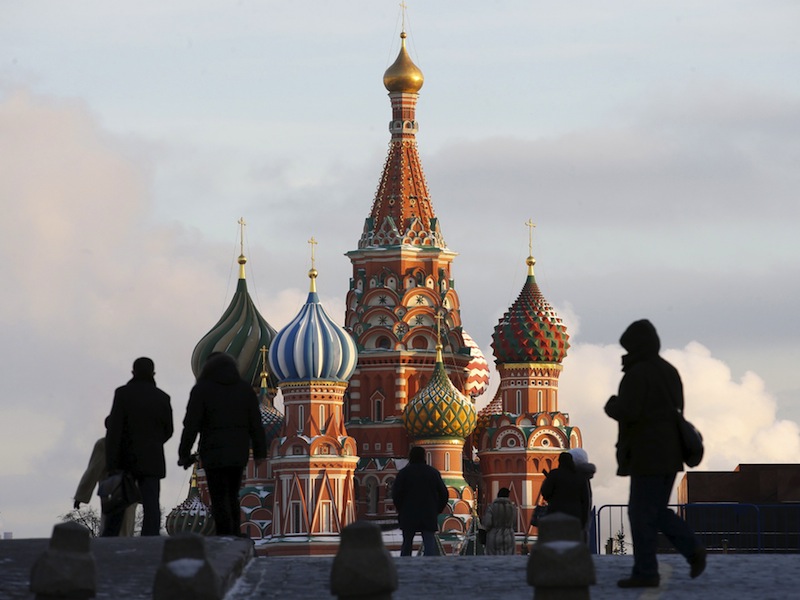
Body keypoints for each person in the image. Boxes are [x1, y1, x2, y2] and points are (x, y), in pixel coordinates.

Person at [604, 319, 706, 588]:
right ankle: (681, 554)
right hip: (670, 454)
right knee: (654, 511)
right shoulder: (669, 371)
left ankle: (651, 569)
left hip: (647, 453)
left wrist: (612, 405)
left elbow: (630, 411)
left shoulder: (638, 373)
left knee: (641, 514)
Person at [178, 353, 267, 536]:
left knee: (218, 496)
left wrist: (184, 453)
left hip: (213, 452)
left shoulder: (202, 389)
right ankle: (235, 531)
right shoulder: (244, 389)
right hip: (238, 452)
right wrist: (259, 452)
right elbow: (256, 423)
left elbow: (191, 424)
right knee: (233, 494)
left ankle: (224, 533)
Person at [105, 357, 173, 536]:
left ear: (133, 372)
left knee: (119, 501)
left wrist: (112, 462)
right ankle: (150, 538)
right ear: (153, 373)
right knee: (151, 503)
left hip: (124, 458)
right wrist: (154, 443)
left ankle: (109, 539)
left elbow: (114, 429)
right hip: (152, 458)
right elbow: (169, 430)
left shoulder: (123, 394)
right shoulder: (162, 397)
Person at [73, 424, 136, 536]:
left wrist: (80, 496)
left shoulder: (104, 444)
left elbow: (93, 471)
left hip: (111, 491)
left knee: (110, 528)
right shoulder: (134, 443)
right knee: (126, 528)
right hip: (130, 491)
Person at [391, 446, 448, 556]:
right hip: (428, 513)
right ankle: (429, 569)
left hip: (408, 513)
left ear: (410, 457)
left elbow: (396, 494)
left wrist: (401, 509)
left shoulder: (404, 473)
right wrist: (437, 509)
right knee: (429, 544)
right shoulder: (432, 473)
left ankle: (405, 569)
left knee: (407, 543)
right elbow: (444, 493)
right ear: (424, 456)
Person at [540, 451, 590, 530]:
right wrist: (583, 521)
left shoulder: (554, 474)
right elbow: (585, 500)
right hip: (575, 517)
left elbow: (545, 492)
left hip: (556, 515)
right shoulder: (580, 477)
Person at [569, 447, 596, 543]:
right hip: (584, 515)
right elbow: (588, 499)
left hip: (573, 515)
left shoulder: (574, 478)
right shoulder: (585, 477)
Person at [482, 487, 517, 555]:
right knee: (508, 561)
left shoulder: (492, 507)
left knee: (494, 561)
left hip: (494, 537)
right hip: (509, 536)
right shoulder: (512, 508)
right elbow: (514, 522)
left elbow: (488, 523)